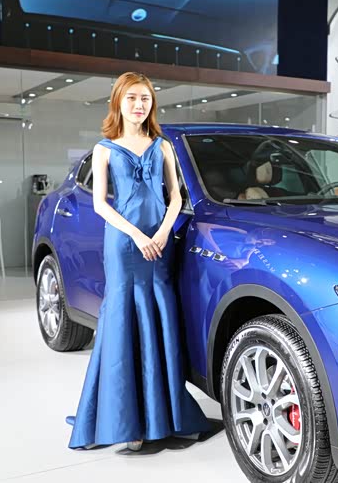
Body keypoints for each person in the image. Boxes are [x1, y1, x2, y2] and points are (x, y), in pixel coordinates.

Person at [67, 72, 210, 452]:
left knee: (158, 318)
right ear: (118, 102)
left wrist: (162, 233)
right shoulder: (105, 149)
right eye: (131, 98)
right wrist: (138, 236)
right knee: (122, 322)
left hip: (159, 243)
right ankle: (124, 420)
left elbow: (176, 198)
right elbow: (101, 204)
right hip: (125, 244)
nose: (139, 105)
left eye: (145, 98)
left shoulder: (162, 146)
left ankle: (164, 415)